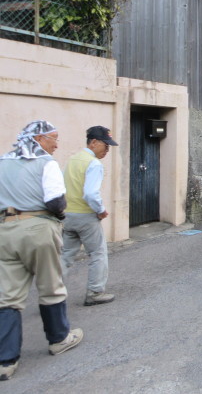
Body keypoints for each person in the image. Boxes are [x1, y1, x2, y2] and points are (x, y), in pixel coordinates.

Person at [0, 120, 83, 382]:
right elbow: (55, 201)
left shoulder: (2, 161)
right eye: (53, 138)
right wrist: (58, 217)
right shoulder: (46, 163)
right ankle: (59, 338)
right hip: (38, 227)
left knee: (6, 296)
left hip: (5, 229)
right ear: (38, 138)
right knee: (51, 285)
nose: (57, 144)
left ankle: (6, 360)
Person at [62, 126, 118, 307]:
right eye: (105, 146)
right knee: (98, 253)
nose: (107, 150)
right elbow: (91, 194)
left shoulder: (72, 160)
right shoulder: (93, 164)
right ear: (93, 142)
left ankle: (51, 293)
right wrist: (100, 210)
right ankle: (95, 292)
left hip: (67, 215)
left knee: (65, 256)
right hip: (86, 216)